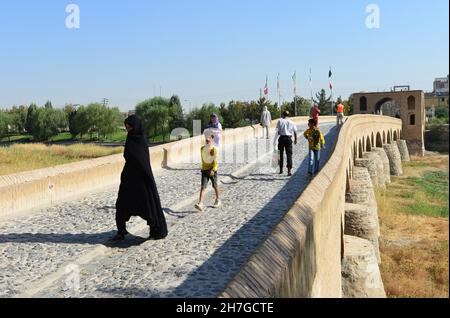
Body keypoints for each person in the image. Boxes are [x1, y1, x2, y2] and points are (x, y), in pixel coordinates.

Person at [112, 115, 168, 242]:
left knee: (148, 206)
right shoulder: (130, 138)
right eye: (127, 127)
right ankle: (121, 232)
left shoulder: (141, 140)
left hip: (141, 180)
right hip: (128, 179)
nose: (128, 129)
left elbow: (142, 160)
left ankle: (155, 230)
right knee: (121, 205)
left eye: (130, 127)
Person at [195, 134, 221, 212]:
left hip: (212, 170)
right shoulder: (202, 148)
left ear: (212, 141)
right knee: (203, 187)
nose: (207, 141)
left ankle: (218, 200)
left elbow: (215, 160)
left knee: (215, 185)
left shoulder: (214, 149)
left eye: (209, 140)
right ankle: (200, 203)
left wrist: (213, 169)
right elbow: (204, 159)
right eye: (206, 140)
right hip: (204, 170)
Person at [275, 110, 298, 176]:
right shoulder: (291, 122)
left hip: (281, 138)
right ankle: (289, 171)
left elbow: (277, 131)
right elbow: (295, 131)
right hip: (288, 139)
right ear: (288, 115)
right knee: (289, 154)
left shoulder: (279, 121)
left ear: (283, 115)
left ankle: (281, 169)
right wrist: (295, 140)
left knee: (280, 154)